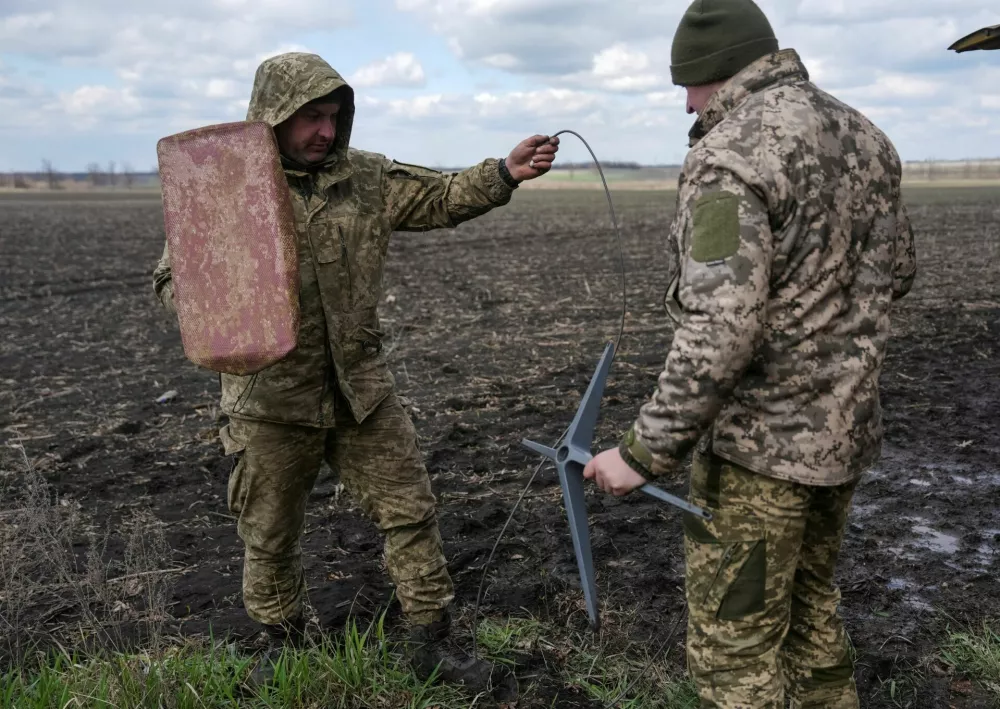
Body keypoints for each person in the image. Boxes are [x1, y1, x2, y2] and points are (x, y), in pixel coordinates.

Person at [152, 51, 558, 696]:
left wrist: (503, 173)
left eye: (334, 116)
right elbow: (176, 280)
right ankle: (280, 642)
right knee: (270, 529)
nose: (325, 130)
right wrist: (224, 301)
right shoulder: (225, 186)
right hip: (270, 396)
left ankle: (430, 640)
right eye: (310, 116)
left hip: (361, 390)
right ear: (273, 116)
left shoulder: (364, 177)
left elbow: (439, 196)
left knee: (410, 510)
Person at [582, 1, 916, 707]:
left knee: (735, 649)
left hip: (757, 458)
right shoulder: (868, 136)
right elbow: (899, 272)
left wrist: (641, 454)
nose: (687, 104)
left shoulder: (729, 153)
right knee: (811, 615)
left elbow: (720, 328)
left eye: (689, 87)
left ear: (713, 71)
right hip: (844, 440)